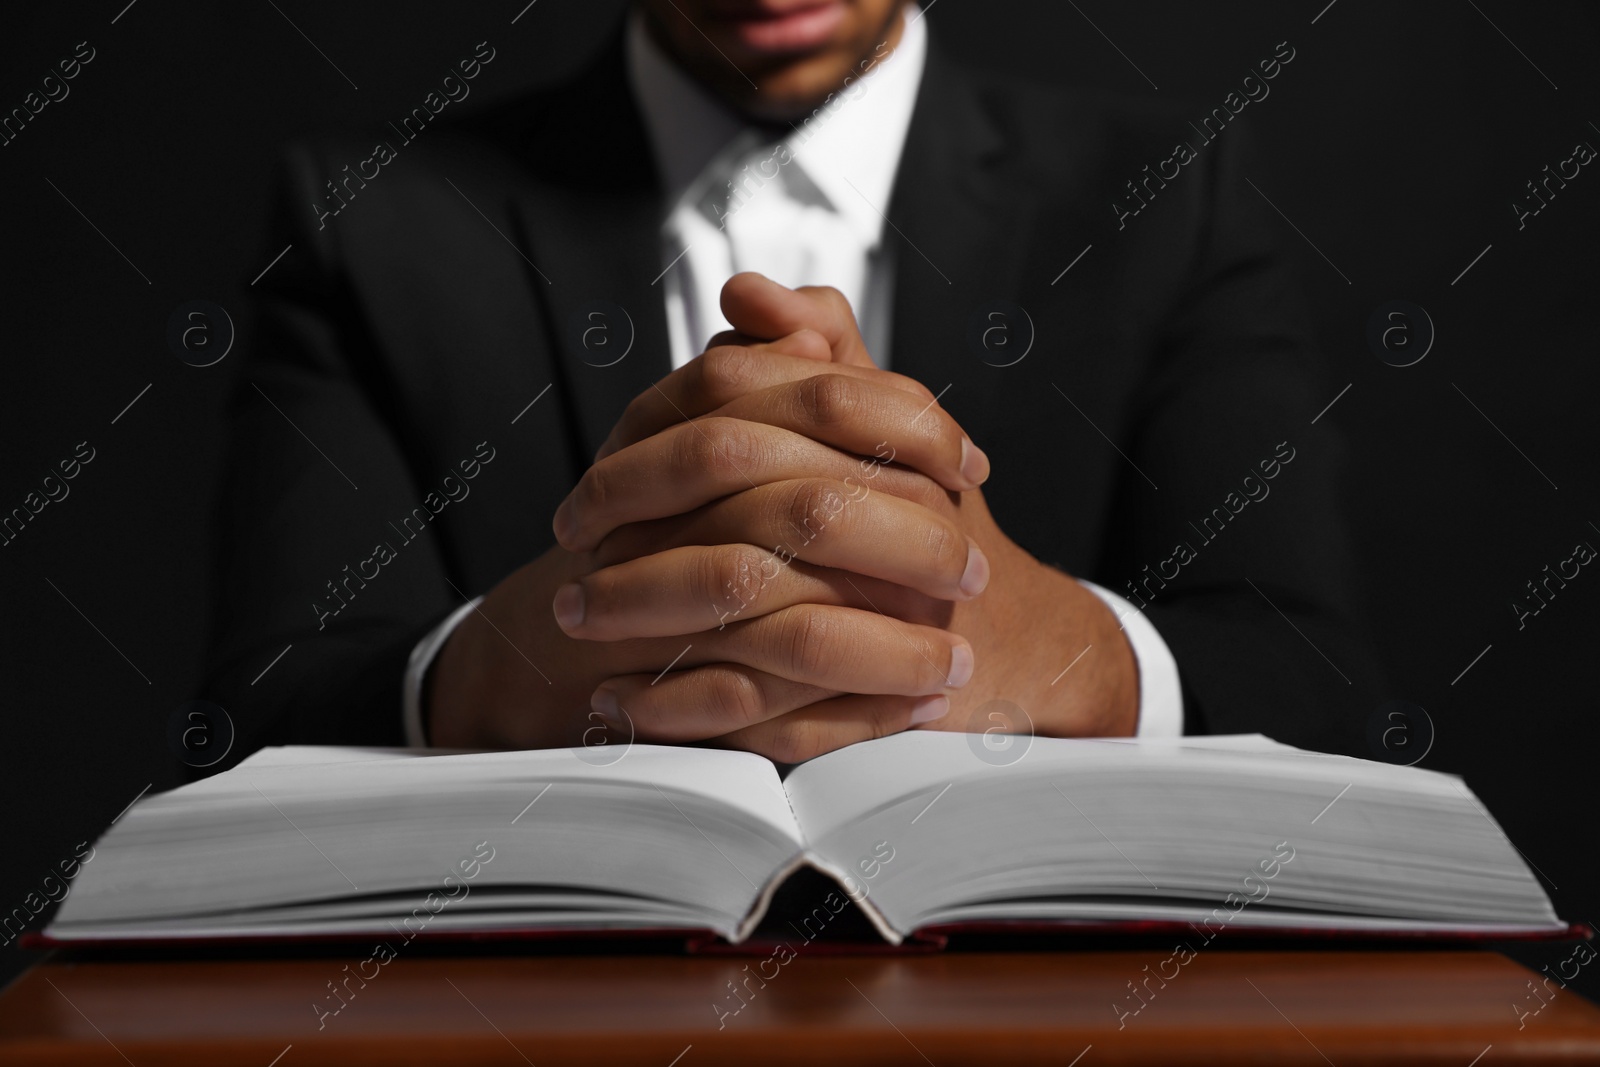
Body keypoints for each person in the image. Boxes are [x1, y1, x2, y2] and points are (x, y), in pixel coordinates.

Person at [205, 0, 1381, 767]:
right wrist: (490, 674)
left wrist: (1055, 648)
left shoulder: (1169, 193)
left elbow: (1315, 680)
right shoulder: (368, 221)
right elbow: (257, 713)